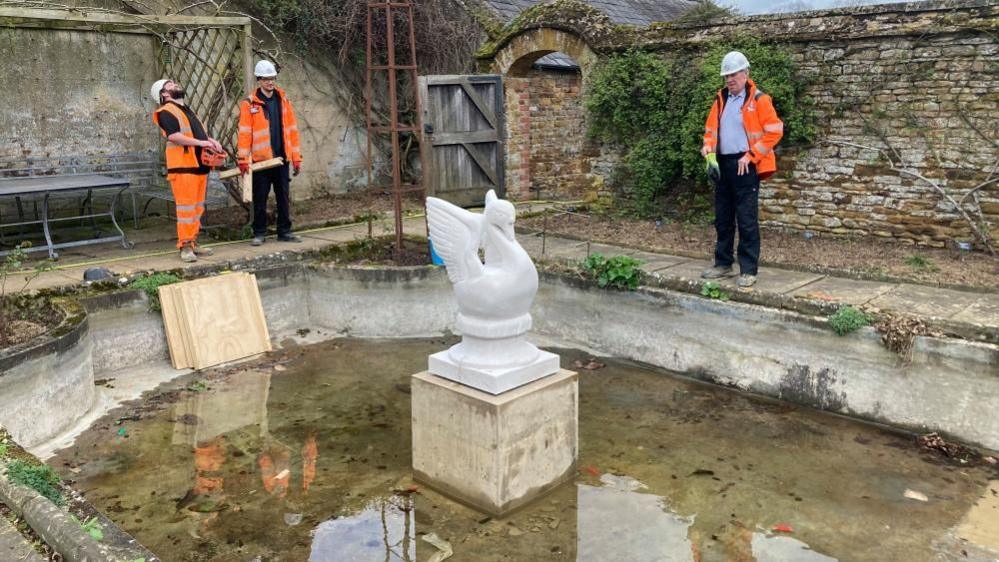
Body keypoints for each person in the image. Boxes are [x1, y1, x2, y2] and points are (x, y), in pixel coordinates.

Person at [700, 51, 783, 288]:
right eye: (726, 75)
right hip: (723, 164)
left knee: (746, 219)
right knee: (722, 217)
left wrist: (753, 155)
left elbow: (775, 131)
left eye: (733, 74)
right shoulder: (720, 99)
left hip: (746, 164)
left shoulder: (759, 99)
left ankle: (748, 269)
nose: (729, 79)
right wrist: (707, 148)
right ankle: (723, 264)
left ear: (746, 73)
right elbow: (710, 131)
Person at [151, 79, 224, 262]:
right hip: (183, 167)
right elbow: (175, 136)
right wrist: (202, 143)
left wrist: (210, 140)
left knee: (197, 208)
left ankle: (192, 242)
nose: (175, 84)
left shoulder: (187, 110)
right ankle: (184, 246)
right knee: (186, 209)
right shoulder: (165, 112)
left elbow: (194, 133)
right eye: (170, 85)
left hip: (198, 165)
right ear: (164, 94)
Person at [238, 60, 304, 246]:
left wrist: (296, 158)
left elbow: (292, 130)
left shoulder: (284, 100)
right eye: (266, 79)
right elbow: (244, 134)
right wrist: (243, 159)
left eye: (273, 78)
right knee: (260, 199)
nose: (270, 82)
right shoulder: (249, 104)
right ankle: (259, 233)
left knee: (283, 197)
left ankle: (285, 231)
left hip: (282, 159)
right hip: (261, 162)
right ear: (259, 80)